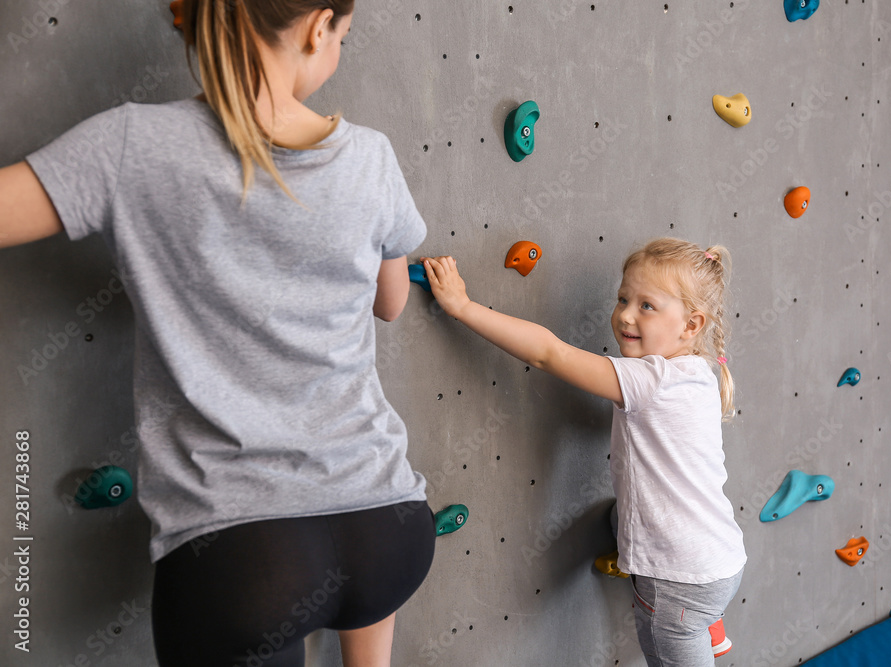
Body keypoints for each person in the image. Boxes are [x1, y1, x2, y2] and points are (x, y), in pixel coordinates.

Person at [1, 1, 436, 665]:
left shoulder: (131, 145)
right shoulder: (371, 156)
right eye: (343, 36)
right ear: (319, 25)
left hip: (242, 557)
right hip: (386, 521)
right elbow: (392, 302)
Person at [421, 238, 747, 667]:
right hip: (721, 559)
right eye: (623, 298)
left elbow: (547, 353)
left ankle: (696, 630)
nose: (626, 314)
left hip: (674, 586)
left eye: (647, 306)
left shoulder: (650, 378)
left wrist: (462, 306)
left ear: (690, 325)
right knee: (619, 513)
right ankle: (711, 626)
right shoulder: (701, 371)